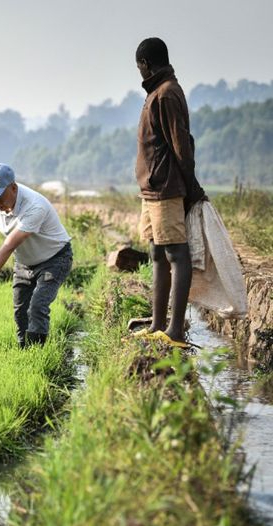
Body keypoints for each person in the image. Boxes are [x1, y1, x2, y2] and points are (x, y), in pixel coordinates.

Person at [131, 37, 207, 348]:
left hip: (165, 188)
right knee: (157, 253)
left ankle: (175, 330)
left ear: (145, 65)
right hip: (152, 190)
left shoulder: (166, 94)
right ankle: (159, 323)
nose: (139, 72)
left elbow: (182, 148)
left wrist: (190, 188)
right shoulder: (158, 93)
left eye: (139, 67)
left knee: (177, 254)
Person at [0, 163, 72, 348]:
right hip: (24, 263)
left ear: (13, 187)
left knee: (37, 306)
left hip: (54, 260)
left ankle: (37, 353)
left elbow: (8, 246)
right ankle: (24, 350)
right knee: (20, 310)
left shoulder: (34, 206)